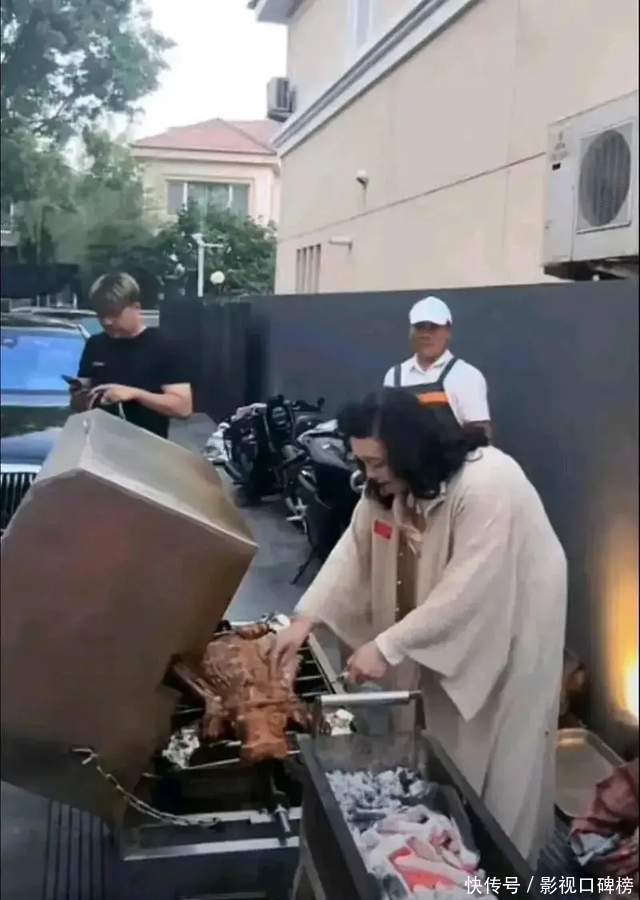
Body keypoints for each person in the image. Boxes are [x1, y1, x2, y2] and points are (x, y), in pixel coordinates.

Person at [272, 390, 567, 864]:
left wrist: (387, 646)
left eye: (376, 462)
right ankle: (443, 839)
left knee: (502, 753)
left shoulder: (489, 482)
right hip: (450, 621)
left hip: (512, 622)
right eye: (361, 461)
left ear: (409, 450)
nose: (368, 474)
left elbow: (469, 588)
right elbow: (355, 547)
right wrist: (305, 619)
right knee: (442, 732)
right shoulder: (390, 484)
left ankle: (500, 870)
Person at [72, 273, 192, 438]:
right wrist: (79, 395)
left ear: (136, 307)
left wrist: (136, 394)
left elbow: (183, 407)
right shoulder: (95, 345)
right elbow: (79, 399)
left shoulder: (164, 346)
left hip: (145, 446)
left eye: (114, 314)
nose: (107, 322)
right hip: (100, 445)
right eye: (101, 315)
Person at [384, 296, 491, 437]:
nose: (425, 335)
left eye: (433, 328)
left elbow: (482, 438)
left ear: (448, 332)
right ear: (410, 331)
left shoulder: (467, 376)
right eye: (420, 327)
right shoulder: (393, 376)